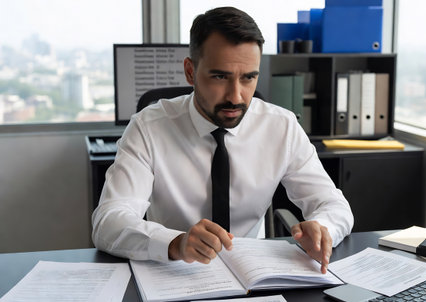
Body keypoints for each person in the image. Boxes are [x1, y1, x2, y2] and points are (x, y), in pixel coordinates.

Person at [92, 6, 353, 274]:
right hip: (176, 272)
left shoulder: (281, 126)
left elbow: (333, 205)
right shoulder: (148, 127)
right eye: (220, 77)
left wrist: (323, 228)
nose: (236, 97)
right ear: (190, 71)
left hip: (255, 276)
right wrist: (175, 243)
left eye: (248, 78)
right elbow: (109, 222)